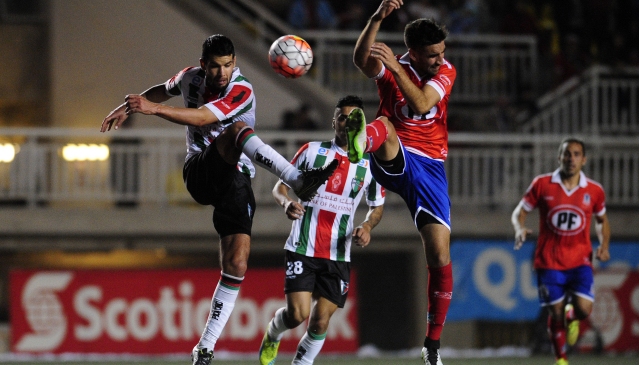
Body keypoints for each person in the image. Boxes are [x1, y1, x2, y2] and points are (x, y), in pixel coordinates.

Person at [100, 34, 338, 365]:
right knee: (237, 131)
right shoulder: (189, 78)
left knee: (237, 262)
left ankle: (205, 347)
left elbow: (202, 117)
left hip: (236, 180)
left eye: (227, 65)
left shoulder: (241, 89)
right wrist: (133, 106)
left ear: (234, 63)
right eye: (215, 66)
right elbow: (162, 90)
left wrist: (150, 108)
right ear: (203, 66)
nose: (222, 73)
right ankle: (298, 179)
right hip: (199, 171)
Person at [351, 1, 456, 364]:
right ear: (413, 52)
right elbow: (362, 61)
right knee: (390, 128)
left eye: (441, 53)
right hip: (392, 153)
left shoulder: (445, 72)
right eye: (431, 55)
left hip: (430, 170)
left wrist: (396, 69)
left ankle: (432, 346)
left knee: (440, 255)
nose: (439, 60)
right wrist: (376, 19)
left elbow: (425, 104)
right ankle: (358, 143)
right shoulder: (398, 64)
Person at [258, 95, 385, 365]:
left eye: (353, 119)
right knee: (297, 315)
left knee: (320, 321)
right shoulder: (312, 151)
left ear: (361, 125)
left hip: (338, 254)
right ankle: (273, 332)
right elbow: (280, 187)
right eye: (341, 117)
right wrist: (287, 203)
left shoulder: (370, 165)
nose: (346, 123)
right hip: (303, 246)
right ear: (333, 121)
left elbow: (377, 206)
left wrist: (367, 225)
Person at [511, 138, 611, 365]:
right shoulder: (542, 184)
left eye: (576, 154)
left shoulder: (594, 190)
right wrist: (519, 228)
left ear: (584, 160)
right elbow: (520, 212)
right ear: (559, 158)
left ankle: (572, 317)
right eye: (567, 154)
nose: (571, 159)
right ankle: (561, 359)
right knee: (554, 314)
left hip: (580, 260)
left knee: (584, 310)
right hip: (549, 260)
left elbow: (602, 220)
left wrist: (604, 245)